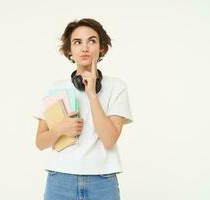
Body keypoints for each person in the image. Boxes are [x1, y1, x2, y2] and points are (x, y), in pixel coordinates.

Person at [33, 18, 133, 200]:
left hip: (102, 181)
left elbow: (109, 139)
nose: (84, 48)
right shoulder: (55, 88)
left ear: (102, 47)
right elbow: (40, 143)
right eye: (77, 42)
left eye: (92, 41)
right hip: (60, 180)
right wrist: (59, 129)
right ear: (69, 50)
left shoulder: (116, 87)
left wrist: (92, 94)